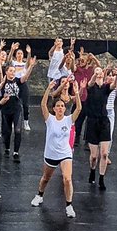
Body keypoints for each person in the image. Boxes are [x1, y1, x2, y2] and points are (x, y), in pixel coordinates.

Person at [31, 78, 81, 219]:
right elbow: (42, 105)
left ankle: (69, 205)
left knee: (67, 179)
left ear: (65, 109)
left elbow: (79, 108)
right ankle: (39, 195)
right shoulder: (50, 119)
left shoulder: (69, 119)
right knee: (46, 178)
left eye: (62, 106)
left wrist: (76, 93)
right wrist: (48, 89)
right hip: (51, 153)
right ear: (54, 109)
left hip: (65, 153)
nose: (60, 108)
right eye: (58, 106)